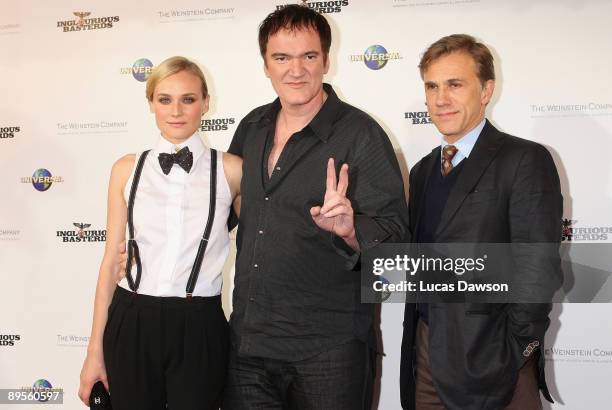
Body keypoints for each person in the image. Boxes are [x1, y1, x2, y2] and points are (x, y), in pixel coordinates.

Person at [223, 5, 409, 410]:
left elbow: (396, 242)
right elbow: (223, 212)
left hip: (328, 353)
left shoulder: (362, 135)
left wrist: (350, 229)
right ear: (265, 65)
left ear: (326, 59)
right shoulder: (251, 128)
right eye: (281, 58)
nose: (296, 70)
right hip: (248, 351)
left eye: (309, 56)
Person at [399, 34, 563, 410]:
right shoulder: (423, 171)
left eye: (455, 84)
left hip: (494, 360)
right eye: (432, 86)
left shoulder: (523, 160)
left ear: (486, 90)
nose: (441, 98)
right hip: (426, 356)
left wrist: (514, 350)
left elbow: (537, 267)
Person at [78, 56, 242, 410]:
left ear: (206, 103)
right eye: (165, 99)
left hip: (200, 324)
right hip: (131, 319)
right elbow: (110, 262)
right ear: (151, 103)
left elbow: (266, 240)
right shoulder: (126, 169)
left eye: (188, 99)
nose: (176, 110)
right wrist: (94, 352)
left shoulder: (230, 170)